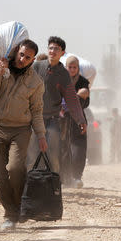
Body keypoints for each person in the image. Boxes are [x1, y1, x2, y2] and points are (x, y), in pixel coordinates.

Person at [0, 39, 47, 231]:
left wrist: (41, 135)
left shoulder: (35, 82)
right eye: (21, 54)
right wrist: (0, 74)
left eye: (28, 57)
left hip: (20, 130)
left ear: (32, 59)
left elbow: (36, 110)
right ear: (17, 51)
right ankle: (10, 213)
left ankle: (18, 206)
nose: (23, 59)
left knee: (16, 168)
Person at [28, 36, 86, 174]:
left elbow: (71, 98)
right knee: (32, 154)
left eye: (56, 49)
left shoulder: (63, 74)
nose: (52, 51)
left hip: (52, 119)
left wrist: (80, 119)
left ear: (62, 53)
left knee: (53, 154)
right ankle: (30, 186)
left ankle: (53, 186)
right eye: (51, 48)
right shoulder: (36, 67)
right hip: (34, 119)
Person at [60, 56, 90, 188]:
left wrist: (74, 97)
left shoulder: (82, 80)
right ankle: (64, 177)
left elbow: (85, 92)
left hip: (78, 118)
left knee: (79, 148)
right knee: (63, 147)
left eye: (74, 67)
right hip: (63, 118)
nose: (72, 69)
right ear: (66, 67)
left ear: (78, 68)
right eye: (70, 67)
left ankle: (77, 176)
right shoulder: (61, 80)